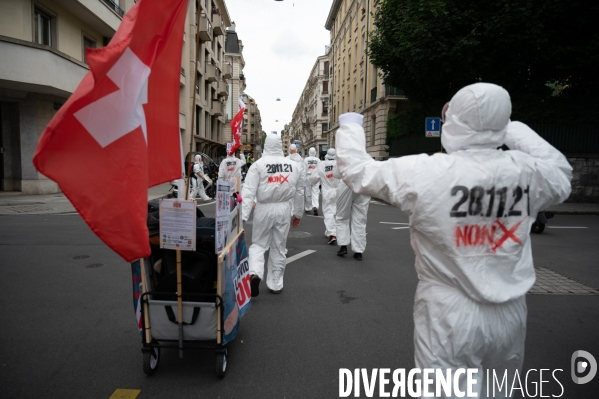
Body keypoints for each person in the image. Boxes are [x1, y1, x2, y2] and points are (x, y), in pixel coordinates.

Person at [335, 83, 572, 396]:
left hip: (449, 312)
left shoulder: (427, 171)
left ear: (455, 122)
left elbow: (357, 172)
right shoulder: (525, 171)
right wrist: (507, 127)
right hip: (510, 313)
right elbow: (561, 172)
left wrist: (351, 125)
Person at [242, 134, 305, 296]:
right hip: (284, 208)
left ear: (266, 146)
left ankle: (255, 272)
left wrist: (242, 216)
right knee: (279, 246)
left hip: (263, 208)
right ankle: (275, 284)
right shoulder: (293, 166)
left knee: (258, 244)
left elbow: (248, 191)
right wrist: (297, 213)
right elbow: (299, 191)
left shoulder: (258, 165)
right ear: (280, 147)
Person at [334, 162, 370, 260]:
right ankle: (358, 251)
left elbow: (336, 174)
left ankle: (343, 245)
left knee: (342, 217)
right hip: (364, 185)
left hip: (347, 184)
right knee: (360, 220)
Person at [309, 148, 340, 244]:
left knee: (329, 213)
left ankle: (332, 233)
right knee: (338, 213)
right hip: (340, 191)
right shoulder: (339, 164)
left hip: (327, 192)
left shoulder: (322, 165)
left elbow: (313, 178)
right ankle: (338, 232)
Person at [286, 144, 309, 216]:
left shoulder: (286, 159)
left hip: (289, 180)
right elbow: (304, 171)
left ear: (290, 150)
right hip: (299, 180)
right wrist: (303, 181)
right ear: (296, 150)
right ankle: (297, 213)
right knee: (299, 197)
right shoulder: (301, 159)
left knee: (289, 196)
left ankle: (290, 212)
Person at [304, 147, 321, 215]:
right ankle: (315, 206)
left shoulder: (306, 160)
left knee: (308, 193)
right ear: (315, 152)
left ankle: (308, 208)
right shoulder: (318, 160)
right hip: (316, 177)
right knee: (315, 192)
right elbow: (320, 170)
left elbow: (304, 169)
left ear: (309, 152)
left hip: (308, 176)